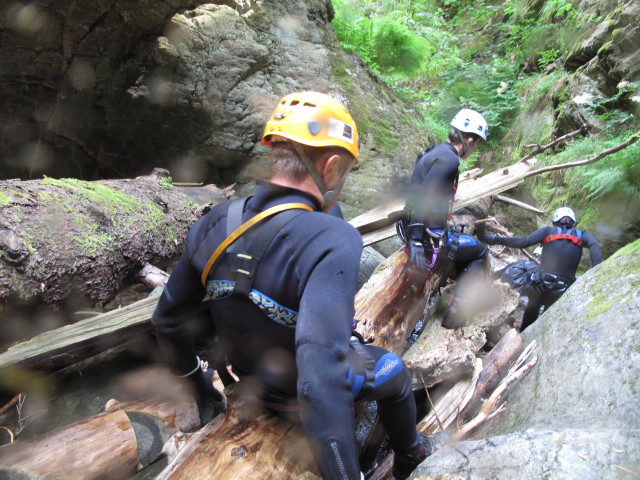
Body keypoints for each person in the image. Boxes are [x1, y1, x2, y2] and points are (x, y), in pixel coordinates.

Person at [152, 92, 442, 480]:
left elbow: (168, 321)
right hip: (292, 396)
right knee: (394, 371)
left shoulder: (214, 221)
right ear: (333, 167)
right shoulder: (333, 237)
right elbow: (319, 376)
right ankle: (412, 454)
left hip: (249, 380)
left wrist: (201, 390)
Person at [398, 108, 490, 329]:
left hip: (415, 228)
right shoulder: (450, 160)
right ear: (469, 139)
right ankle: (455, 313)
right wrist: (417, 239)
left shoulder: (433, 152)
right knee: (480, 251)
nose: (475, 148)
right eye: (476, 144)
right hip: (429, 239)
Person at [483, 206, 602, 330]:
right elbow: (594, 245)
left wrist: (496, 239)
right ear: (573, 222)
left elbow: (524, 242)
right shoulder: (583, 235)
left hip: (541, 285)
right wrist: (597, 270)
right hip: (563, 289)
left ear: (556, 220)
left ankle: (523, 331)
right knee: (549, 310)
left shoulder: (547, 231)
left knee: (533, 303)